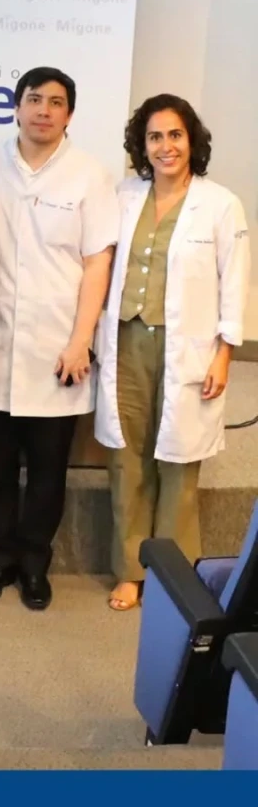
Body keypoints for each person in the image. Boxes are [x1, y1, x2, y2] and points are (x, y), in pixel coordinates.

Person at [0, 66, 119, 611]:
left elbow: (97, 263)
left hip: (59, 348)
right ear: (16, 107)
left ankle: (33, 565)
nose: (43, 111)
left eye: (55, 102)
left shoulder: (89, 175)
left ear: (69, 114)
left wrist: (81, 340)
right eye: (34, 99)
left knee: (48, 470)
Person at [94, 95, 250, 611]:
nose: (166, 147)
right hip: (126, 340)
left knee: (179, 462)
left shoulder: (220, 204)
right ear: (142, 145)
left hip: (190, 345)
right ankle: (130, 568)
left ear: (192, 140)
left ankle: (172, 576)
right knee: (128, 458)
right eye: (155, 137)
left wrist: (224, 353)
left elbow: (235, 283)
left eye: (175, 135)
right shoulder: (123, 196)